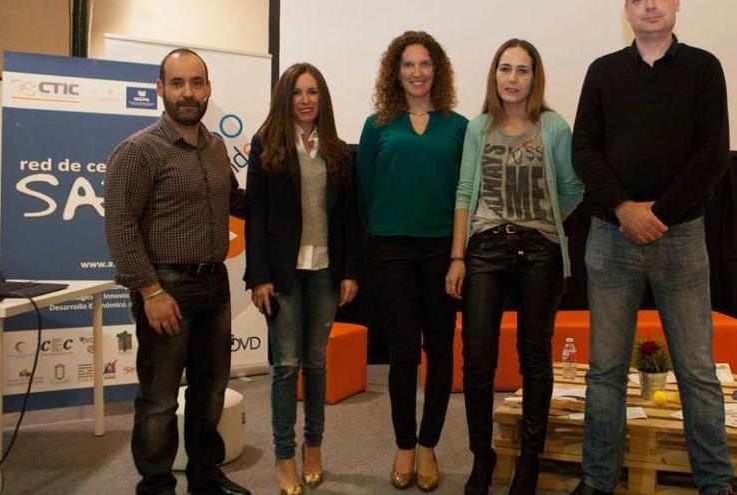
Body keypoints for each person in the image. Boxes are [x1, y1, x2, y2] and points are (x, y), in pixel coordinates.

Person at [570, 1, 734, 494]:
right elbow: (584, 149)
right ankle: (597, 482)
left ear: (676, 4)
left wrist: (656, 215)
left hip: (680, 237)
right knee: (605, 372)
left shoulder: (705, 68)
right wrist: (625, 208)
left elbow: (714, 152)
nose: (650, 5)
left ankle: (715, 484)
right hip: (610, 235)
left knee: (697, 372)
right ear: (627, 10)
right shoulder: (602, 72)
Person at [104, 48, 249, 495]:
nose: (188, 93)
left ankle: (205, 477)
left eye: (197, 83)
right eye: (178, 83)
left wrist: (288, 195)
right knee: (159, 400)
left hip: (214, 284)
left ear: (208, 89)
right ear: (161, 90)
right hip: (165, 286)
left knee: (210, 391)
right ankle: (156, 486)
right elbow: (120, 226)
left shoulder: (215, 146)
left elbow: (234, 201)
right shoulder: (138, 150)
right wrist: (150, 291)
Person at [445, 39, 583, 495]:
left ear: (534, 78)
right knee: (478, 358)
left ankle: (529, 461)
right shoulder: (478, 127)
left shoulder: (555, 127)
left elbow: (572, 189)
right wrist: (458, 255)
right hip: (484, 248)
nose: (512, 78)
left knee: (535, 358)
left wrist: (541, 225)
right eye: (505, 69)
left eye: (522, 70)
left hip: (540, 252)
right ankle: (482, 458)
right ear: (495, 74)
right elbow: (465, 190)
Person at [356, 30, 468, 492]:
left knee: (439, 350)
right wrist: (379, 241)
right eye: (408, 65)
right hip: (391, 250)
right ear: (395, 72)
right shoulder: (376, 124)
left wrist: (458, 254)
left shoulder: (459, 127)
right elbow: (365, 192)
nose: (417, 73)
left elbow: (467, 192)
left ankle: (428, 445)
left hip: (442, 249)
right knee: (403, 352)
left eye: (425, 64)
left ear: (436, 71)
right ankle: (405, 444)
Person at [244, 63, 362, 495]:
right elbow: (254, 215)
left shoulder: (335, 148)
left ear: (323, 98)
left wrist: (350, 270)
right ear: (285, 98)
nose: (306, 99)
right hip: (283, 274)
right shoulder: (266, 145)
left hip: (327, 271)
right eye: (298, 92)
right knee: (284, 367)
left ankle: (314, 446)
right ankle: (284, 456)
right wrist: (258, 277)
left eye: (313, 92)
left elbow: (349, 218)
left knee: (316, 364)